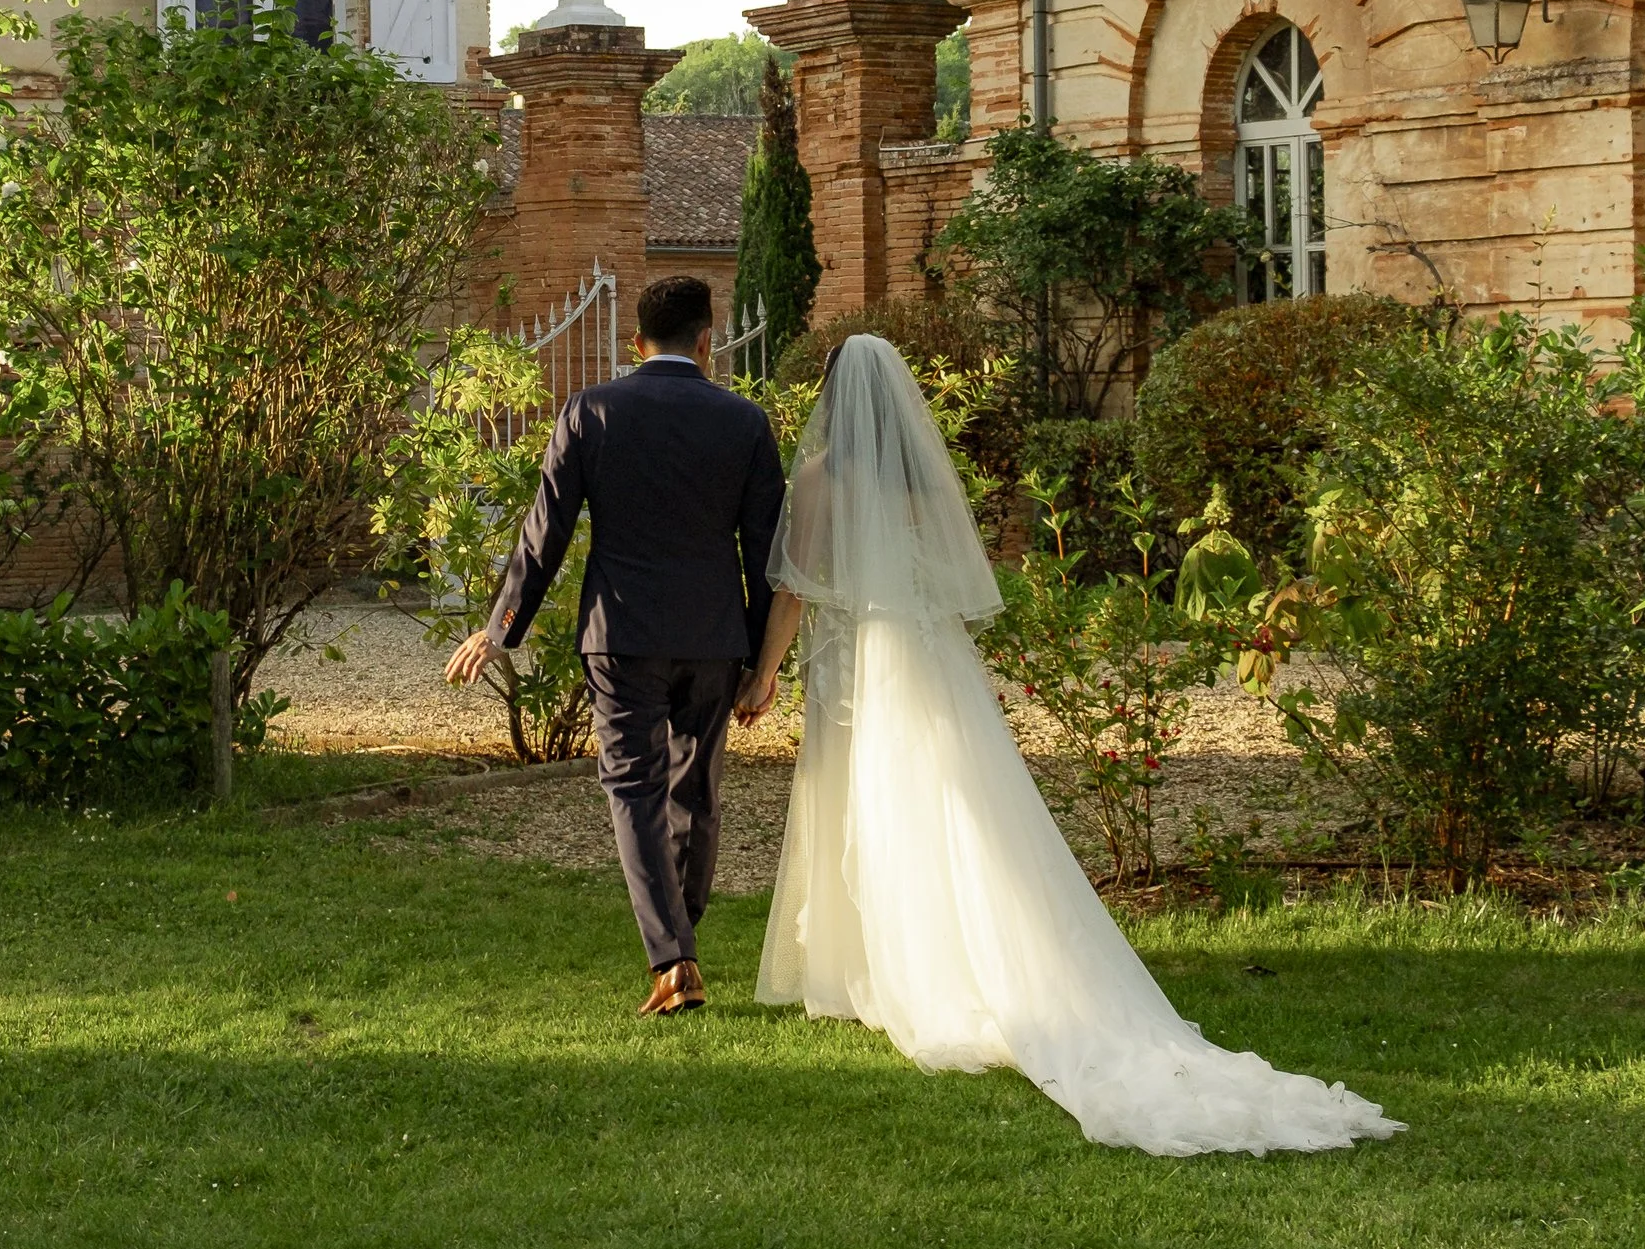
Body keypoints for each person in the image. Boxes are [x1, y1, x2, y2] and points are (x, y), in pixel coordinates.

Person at [736, 334, 1403, 1158]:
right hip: (932, 660)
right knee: (955, 804)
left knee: (880, 802)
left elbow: (795, 587)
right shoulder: (920, 483)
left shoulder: (820, 478)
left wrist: (763, 674)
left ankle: (901, 970)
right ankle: (927, 955)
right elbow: (951, 577)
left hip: (866, 663)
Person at [446, 273, 786, 1016]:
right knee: (697, 791)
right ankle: (679, 945)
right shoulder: (744, 422)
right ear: (708, 341)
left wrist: (501, 628)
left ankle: (674, 958)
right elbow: (768, 555)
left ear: (636, 343)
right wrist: (763, 664)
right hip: (714, 637)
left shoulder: (590, 411)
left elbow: (545, 534)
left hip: (620, 634)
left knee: (634, 788)